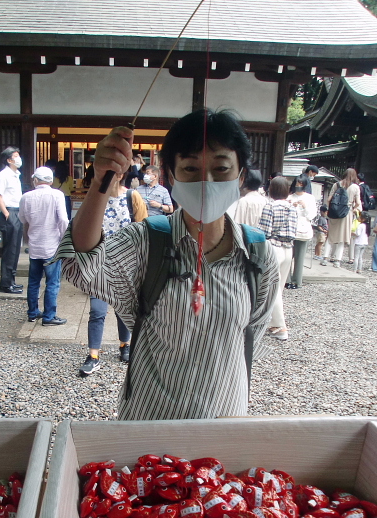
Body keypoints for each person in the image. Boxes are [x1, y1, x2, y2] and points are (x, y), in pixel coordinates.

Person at [50, 108, 279, 419]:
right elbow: (81, 264)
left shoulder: (259, 255)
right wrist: (101, 182)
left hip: (225, 424)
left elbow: (252, 336)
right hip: (149, 425)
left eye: (221, 169)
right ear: (171, 176)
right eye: (189, 169)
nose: (206, 182)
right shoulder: (146, 241)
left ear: (240, 177)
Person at [79, 171, 146, 377]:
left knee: (122, 308)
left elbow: (144, 227)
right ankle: (93, 355)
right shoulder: (94, 197)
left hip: (125, 264)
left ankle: (124, 345)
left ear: (121, 174)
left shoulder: (132, 196)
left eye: (114, 172)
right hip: (98, 263)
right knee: (97, 311)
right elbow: (82, 227)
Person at [18, 166, 68, 325]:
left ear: (35, 180)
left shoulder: (26, 197)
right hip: (52, 245)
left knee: (34, 281)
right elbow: (63, 220)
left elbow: (22, 219)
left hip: (34, 245)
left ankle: (32, 313)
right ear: (51, 181)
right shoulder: (57, 195)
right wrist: (64, 239)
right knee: (52, 282)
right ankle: (49, 316)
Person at [258, 176, 297, 341]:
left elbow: (264, 231)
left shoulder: (270, 206)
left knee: (272, 289)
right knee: (278, 288)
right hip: (288, 248)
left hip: (274, 248)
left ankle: (281, 326)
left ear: (271, 189)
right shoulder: (292, 208)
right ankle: (273, 322)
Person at [0, 146, 24, 294]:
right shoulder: (4, 175)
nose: (19, 158)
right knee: (9, 250)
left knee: (15, 249)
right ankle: (5, 284)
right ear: (9, 160)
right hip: (9, 211)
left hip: (16, 211)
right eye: (15, 156)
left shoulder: (15, 175)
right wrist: (6, 212)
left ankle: (11, 280)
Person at [321, 169, 361, 268]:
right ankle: (337, 261)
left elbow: (329, 199)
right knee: (342, 238)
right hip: (346, 214)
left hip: (334, 214)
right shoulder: (355, 187)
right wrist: (353, 207)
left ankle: (325, 258)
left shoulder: (336, 184)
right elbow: (358, 203)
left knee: (330, 237)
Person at [286, 174, 316, 288]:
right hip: (290, 231)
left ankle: (296, 281)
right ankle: (287, 279)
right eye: (297, 183)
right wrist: (290, 206)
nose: (299, 185)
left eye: (301, 184)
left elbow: (312, 216)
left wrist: (305, 207)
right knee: (288, 257)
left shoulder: (310, 198)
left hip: (303, 231)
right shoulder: (290, 197)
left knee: (300, 257)